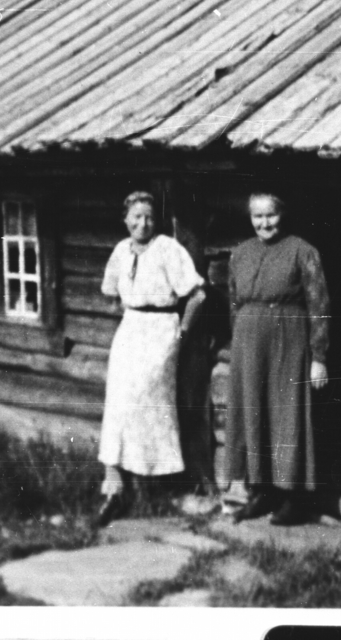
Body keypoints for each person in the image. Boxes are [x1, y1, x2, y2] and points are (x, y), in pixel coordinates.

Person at [95, 191, 206, 527]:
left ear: (155, 220)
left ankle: (152, 483)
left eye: (148, 217)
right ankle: (113, 487)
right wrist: (130, 316)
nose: (142, 223)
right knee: (117, 405)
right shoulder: (120, 250)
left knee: (145, 403)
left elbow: (197, 295)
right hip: (131, 330)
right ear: (125, 219)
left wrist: (182, 332)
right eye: (136, 217)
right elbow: (110, 294)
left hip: (161, 331)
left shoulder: (168, 249)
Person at [225, 192, 329, 526]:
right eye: (257, 216)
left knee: (287, 414)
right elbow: (233, 301)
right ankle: (262, 492)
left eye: (270, 215)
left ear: (281, 215)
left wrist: (319, 356)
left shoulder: (303, 251)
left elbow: (320, 306)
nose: (264, 223)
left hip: (289, 341)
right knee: (253, 414)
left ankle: (294, 498)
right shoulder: (240, 254)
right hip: (249, 345)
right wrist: (240, 342)